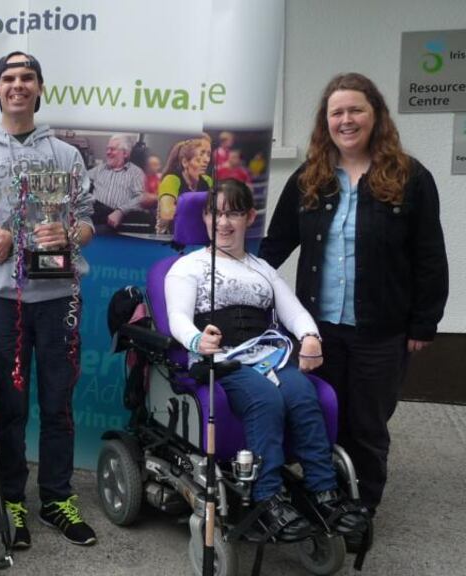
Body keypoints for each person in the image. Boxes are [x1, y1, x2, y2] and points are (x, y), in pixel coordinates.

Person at [259, 72, 448, 515]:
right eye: (336, 112)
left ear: (376, 115)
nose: (346, 120)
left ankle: (360, 508)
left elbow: (429, 256)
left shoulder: (409, 177)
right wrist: (232, 275)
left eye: (355, 110)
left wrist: (425, 321)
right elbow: (275, 244)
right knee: (322, 415)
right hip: (318, 330)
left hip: (381, 331)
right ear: (325, 122)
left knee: (366, 425)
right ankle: (323, 494)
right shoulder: (310, 178)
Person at [0, 51, 97, 549]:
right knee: (11, 406)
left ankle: (55, 498)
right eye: (8, 78)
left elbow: (88, 218)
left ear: (39, 88)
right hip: (3, 297)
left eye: (26, 77)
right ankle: (12, 499)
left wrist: (69, 234)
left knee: (58, 404)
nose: (17, 85)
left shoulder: (66, 156)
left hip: (58, 296)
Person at [165, 179, 370, 542]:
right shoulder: (188, 267)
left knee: (304, 396)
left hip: (268, 355)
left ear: (250, 218)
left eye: (233, 213)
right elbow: (178, 317)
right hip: (226, 360)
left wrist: (309, 337)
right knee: (265, 399)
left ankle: (323, 492)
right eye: (216, 213)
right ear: (206, 218)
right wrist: (198, 339)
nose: (224, 222)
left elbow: (294, 312)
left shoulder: (262, 268)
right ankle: (268, 496)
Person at [88, 133, 155, 232]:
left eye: (113, 149)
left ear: (125, 153)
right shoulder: (99, 169)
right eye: (107, 149)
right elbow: (80, 180)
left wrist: (120, 211)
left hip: (121, 225)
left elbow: (140, 198)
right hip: (96, 221)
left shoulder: (135, 173)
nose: (108, 152)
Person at [156, 134, 212, 234]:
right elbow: (167, 213)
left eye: (208, 154)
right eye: (202, 153)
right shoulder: (171, 179)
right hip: (170, 238)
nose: (206, 160)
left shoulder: (207, 180)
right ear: (185, 162)